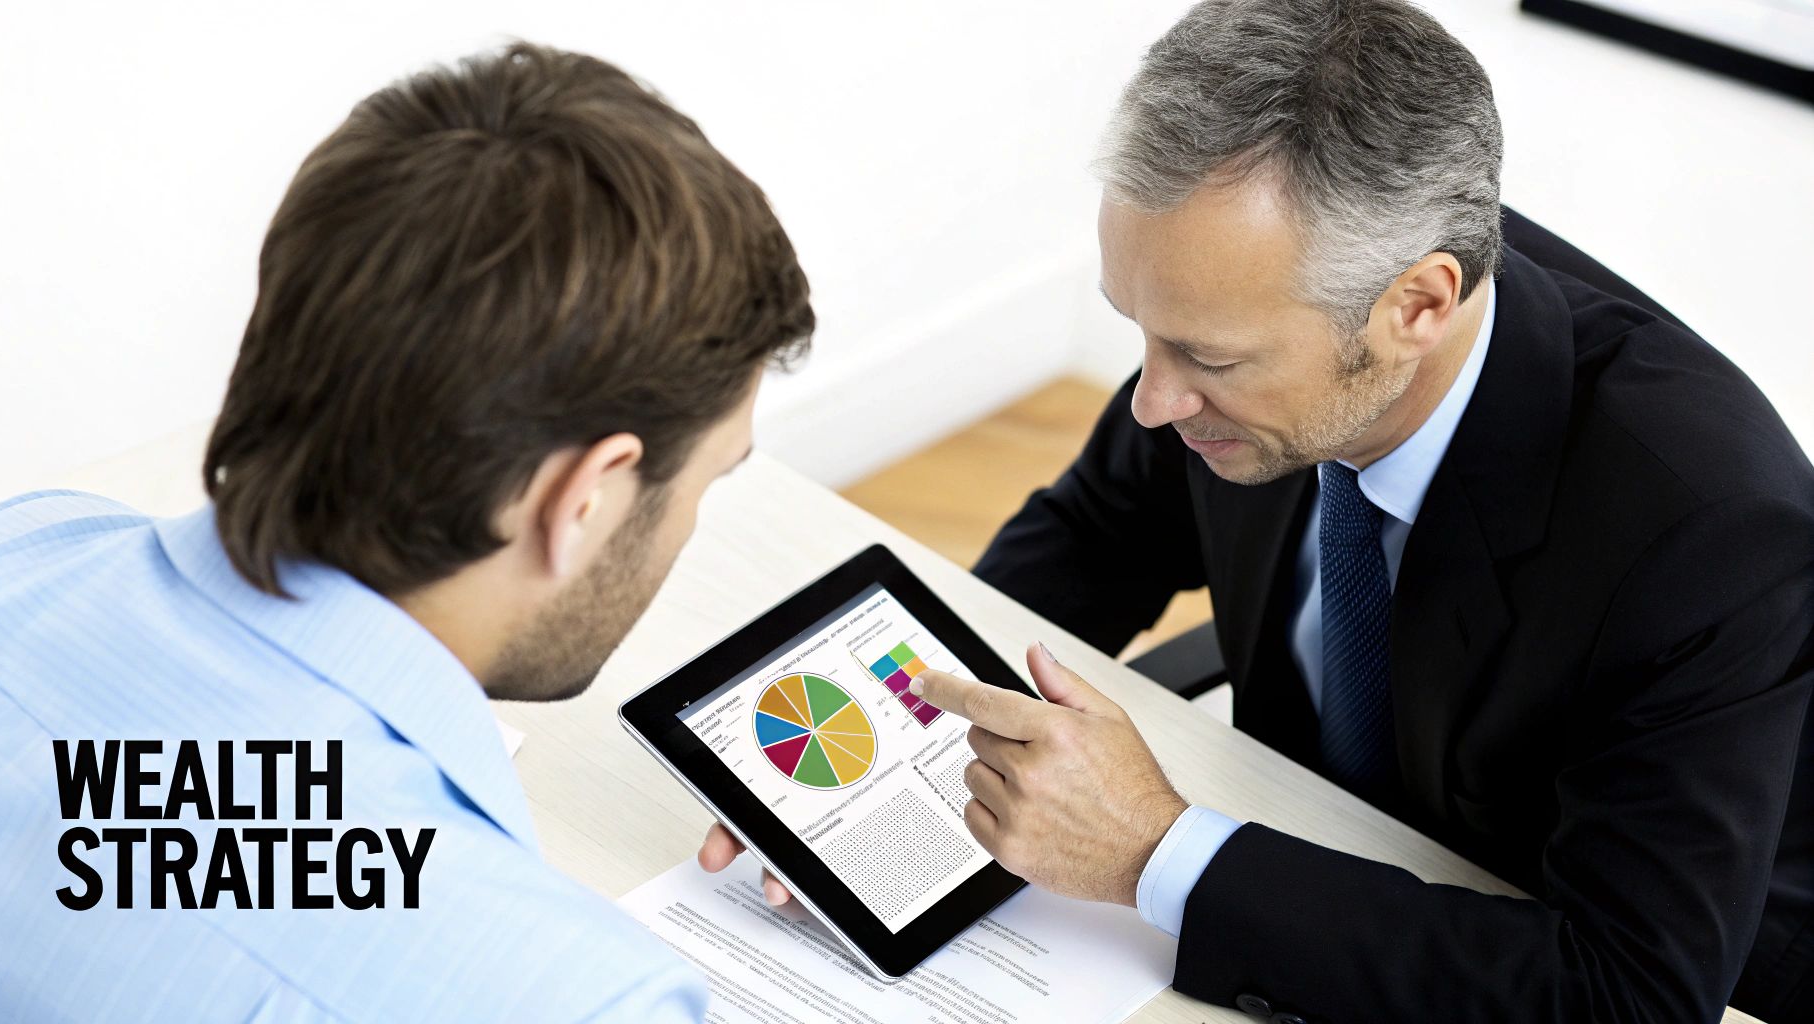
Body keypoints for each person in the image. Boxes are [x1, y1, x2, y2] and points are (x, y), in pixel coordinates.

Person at [703, 2, 1814, 1021]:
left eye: (1204, 356)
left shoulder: (1709, 532)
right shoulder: (1253, 305)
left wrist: (1152, 848)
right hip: (1308, 850)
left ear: (1415, 305)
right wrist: (882, 769)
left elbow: (1620, 993)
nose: (1149, 398)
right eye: (1133, 325)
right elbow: (1094, 534)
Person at [0, 42, 812, 1021]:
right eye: (706, 482)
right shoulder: (587, 999)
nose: (686, 528)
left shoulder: (25, 542)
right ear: (581, 497)